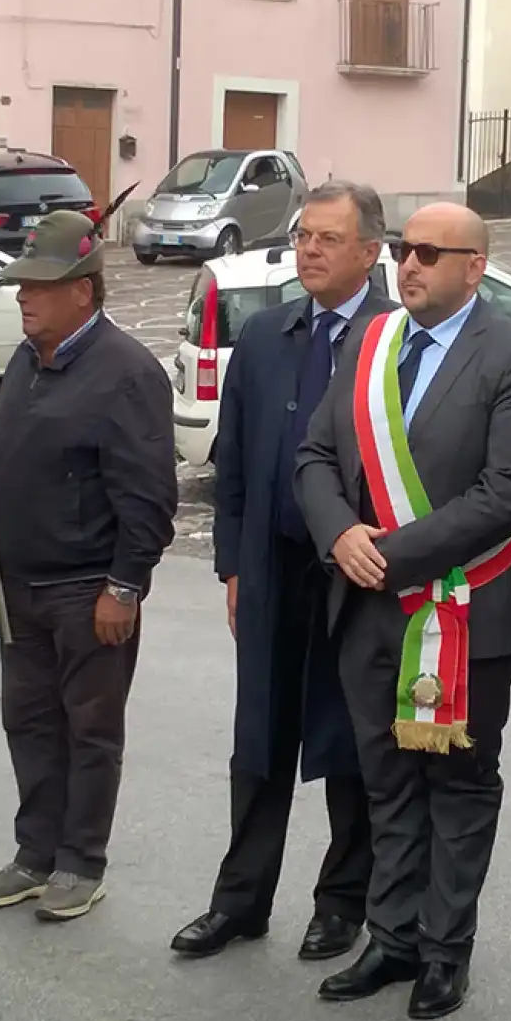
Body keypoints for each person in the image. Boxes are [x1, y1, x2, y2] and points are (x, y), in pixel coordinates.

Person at [295, 202, 511, 1020]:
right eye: (404, 251)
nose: (407, 265)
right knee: (387, 781)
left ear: (474, 266)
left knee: (460, 783)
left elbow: (508, 493)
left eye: (428, 254)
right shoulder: (371, 345)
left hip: (466, 611)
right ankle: (393, 937)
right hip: (367, 605)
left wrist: (388, 556)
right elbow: (314, 455)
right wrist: (340, 534)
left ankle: (447, 951)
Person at [170, 181, 394, 963]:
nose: (310, 250)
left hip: (356, 578)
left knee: (349, 744)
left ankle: (341, 904)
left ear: (370, 251)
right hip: (271, 570)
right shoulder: (268, 336)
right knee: (259, 740)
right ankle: (241, 901)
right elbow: (232, 462)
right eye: (304, 236)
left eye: (329, 239)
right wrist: (234, 564)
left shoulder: (393, 338)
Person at [0, 210, 176, 923]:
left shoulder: (128, 373)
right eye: (20, 284)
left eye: (41, 286)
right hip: (19, 585)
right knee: (29, 723)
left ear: (84, 289)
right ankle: (34, 855)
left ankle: (81, 862)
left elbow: (149, 498)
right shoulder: (28, 359)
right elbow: (40, 452)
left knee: (90, 731)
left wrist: (124, 586)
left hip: (87, 589)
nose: (23, 297)